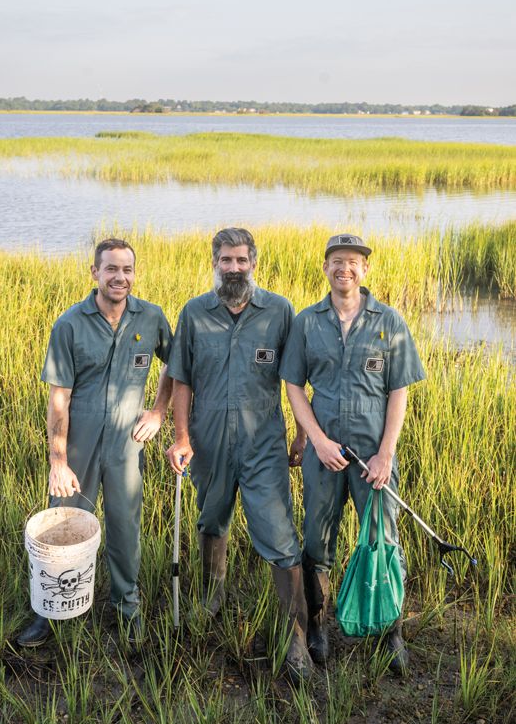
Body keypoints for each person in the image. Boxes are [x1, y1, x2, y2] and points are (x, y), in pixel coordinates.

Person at [166, 227, 312, 682]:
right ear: (215, 262)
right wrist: (182, 436)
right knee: (211, 519)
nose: (233, 269)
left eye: (241, 261)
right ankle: (213, 597)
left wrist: (305, 436)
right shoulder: (194, 312)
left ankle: (296, 641)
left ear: (254, 262)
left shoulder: (280, 312)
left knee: (279, 535)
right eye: (225, 261)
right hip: (207, 439)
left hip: (263, 441)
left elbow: (296, 380)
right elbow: (182, 380)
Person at [280, 233, 425, 674]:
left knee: (383, 539)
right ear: (325, 268)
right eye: (337, 261)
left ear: (365, 269)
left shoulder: (389, 321)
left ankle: (391, 631)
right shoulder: (307, 322)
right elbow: (293, 385)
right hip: (324, 453)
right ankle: (320, 627)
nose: (345, 269)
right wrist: (316, 440)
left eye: (354, 262)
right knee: (317, 541)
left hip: (372, 456)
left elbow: (398, 390)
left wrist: (385, 454)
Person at [17, 238, 173, 647]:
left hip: (126, 442)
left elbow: (178, 364)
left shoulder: (151, 318)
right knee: (62, 526)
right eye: (111, 269)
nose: (120, 277)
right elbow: (58, 399)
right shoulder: (70, 324)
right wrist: (58, 461)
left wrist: (158, 412)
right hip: (79, 442)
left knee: (125, 528)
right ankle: (49, 613)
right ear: (95, 273)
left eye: (127, 270)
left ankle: (127, 608)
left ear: (134, 274)